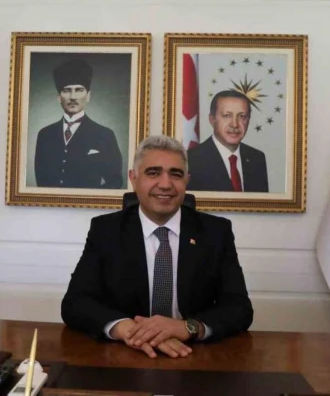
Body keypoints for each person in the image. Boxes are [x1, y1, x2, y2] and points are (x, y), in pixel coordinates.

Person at [61, 135, 253, 358]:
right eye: (153, 173)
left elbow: (239, 308)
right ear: (133, 178)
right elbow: (75, 302)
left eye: (176, 174)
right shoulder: (106, 230)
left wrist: (188, 327)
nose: (165, 184)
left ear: (187, 181)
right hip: (125, 354)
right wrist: (127, 329)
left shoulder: (216, 232)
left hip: (192, 354)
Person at [34, 58, 123, 189]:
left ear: (88, 96)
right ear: (59, 97)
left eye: (79, 90)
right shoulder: (45, 135)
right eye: (67, 90)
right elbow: (41, 182)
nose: (73, 97)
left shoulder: (105, 135)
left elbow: (115, 181)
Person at [187, 90, 269, 192]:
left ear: (248, 120)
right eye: (227, 115)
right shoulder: (191, 160)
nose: (234, 124)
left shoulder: (257, 159)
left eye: (241, 116)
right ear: (212, 119)